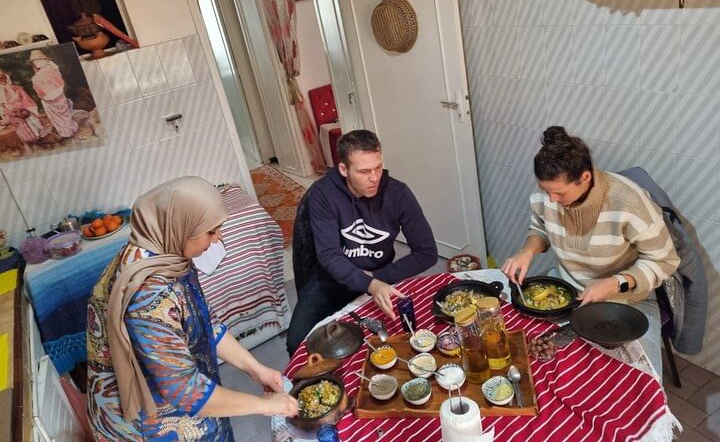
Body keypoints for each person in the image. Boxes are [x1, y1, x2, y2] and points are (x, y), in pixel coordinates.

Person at [86, 176, 297, 441]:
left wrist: (256, 369)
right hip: (148, 423)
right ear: (181, 227)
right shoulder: (147, 295)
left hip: (181, 393)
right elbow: (186, 392)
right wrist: (265, 405)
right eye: (211, 231)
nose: (218, 238)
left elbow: (204, 322)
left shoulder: (168, 256)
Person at [502, 126, 680, 375]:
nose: (551, 199)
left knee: (633, 377)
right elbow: (540, 228)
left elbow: (664, 261)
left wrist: (615, 283)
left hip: (626, 299)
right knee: (532, 358)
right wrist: (527, 251)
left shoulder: (628, 202)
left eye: (559, 193)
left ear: (585, 177)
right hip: (566, 291)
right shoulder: (549, 196)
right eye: (545, 191)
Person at [286, 129, 438, 355]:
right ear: (343, 169)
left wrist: (376, 278)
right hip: (331, 281)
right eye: (364, 171)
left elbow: (427, 252)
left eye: (378, 167)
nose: (375, 177)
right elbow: (329, 255)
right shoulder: (323, 193)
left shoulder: (398, 193)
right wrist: (369, 284)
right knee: (296, 343)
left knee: (393, 341)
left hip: (380, 275)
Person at [29, 49, 78, 139]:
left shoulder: (48, 69)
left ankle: (67, 131)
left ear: (45, 60)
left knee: (62, 113)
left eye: (39, 60)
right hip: (49, 97)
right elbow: (40, 89)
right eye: (34, 61)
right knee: (58, 116)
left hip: (56, 96)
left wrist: (49, 94)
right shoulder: (41, 72)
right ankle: (65, 131)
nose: (36, 62)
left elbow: (59, 82)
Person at [0, 68, 43, 153]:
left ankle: (35, 144)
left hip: (23, 110)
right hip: (11, 113)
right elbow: (2, 106)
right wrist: (11, 111)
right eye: (1, 80)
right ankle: (27, 146)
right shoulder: (1, 93)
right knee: (20, 126)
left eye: (3, 78)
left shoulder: (16, 88)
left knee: (30, 123)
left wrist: (23, 107)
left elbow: (26, 99)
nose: (3, 81)